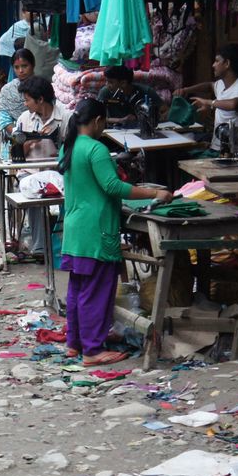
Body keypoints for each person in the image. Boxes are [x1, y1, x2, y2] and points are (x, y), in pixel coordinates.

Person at [58, 98, 173, 366]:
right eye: (105, 122)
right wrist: (155, 193)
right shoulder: (96, 149)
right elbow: (113, 187)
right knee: (97, 291)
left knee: (78, 288)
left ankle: (75, 344)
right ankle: (93, 350)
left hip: (76, 229)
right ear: (98, 121)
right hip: (96, 230)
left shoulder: (70, 145)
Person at [14, 76, 68, 258]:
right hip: (30, 172)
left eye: (27, 100)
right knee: (35, 192)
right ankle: (40, 247)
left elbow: (71, 147)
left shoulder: (65, 117)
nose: (25, 103)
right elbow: (15, 149)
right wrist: (32, 141)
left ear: (40, 99)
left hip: (56, 172)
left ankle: (66, 246)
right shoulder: (24, 119)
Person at [176, 43, 238, 155]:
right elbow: (209, 86)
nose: (213, 65)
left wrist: (209, 103)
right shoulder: (221, 84)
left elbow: (233, 104)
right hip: (216, 149)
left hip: (236, 153)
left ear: (227, 63)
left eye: (217, 61)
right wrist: (185, 90)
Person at [97, 65, 162, 127]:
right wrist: (120, 120)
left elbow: (165, 110)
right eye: (106, 81)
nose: (107, 85)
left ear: (123, 83)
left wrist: (150, 119)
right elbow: (96, 117)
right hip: (114, 131)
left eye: (110, 82)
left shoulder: (146, 92)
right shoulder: (105, 92)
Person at [0, 48, 35, 135]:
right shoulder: (7, 90)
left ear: (33, 65)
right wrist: (19, 135)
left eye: (24, 66)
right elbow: (4, 119)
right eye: (16, 67)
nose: (21, 71)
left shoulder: (42, 86)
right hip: (14, 138)